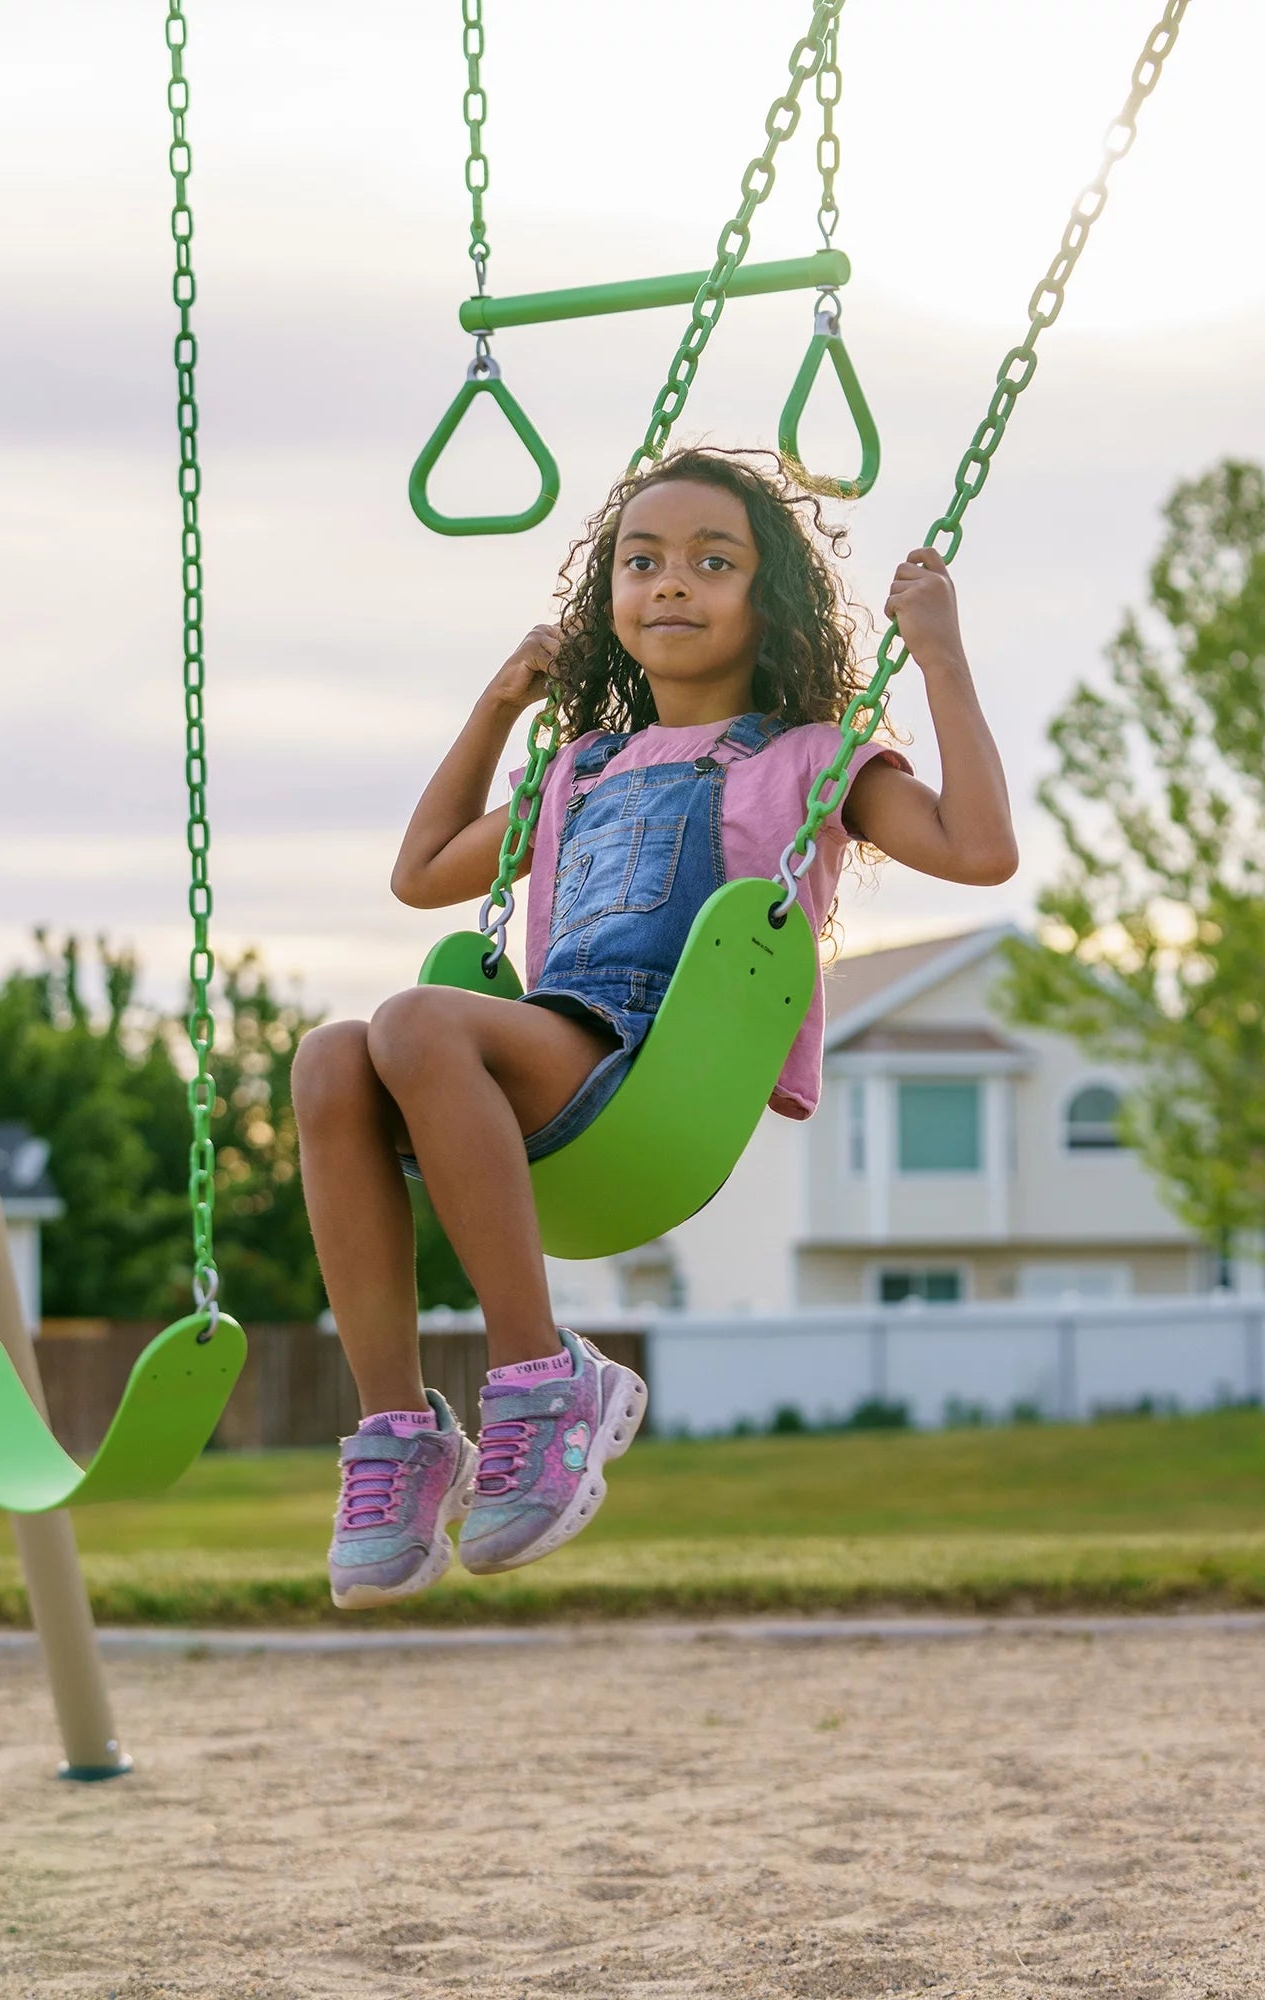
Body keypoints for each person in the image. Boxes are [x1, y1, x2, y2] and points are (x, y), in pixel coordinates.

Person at [292, 446, 1017, 1607]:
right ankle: (397, 1435)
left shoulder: (810, 759)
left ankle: (540, 1380)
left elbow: (980, 850)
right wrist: (496, 708)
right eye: (642, 562)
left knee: (415, 1021)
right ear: (608, 599)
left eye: (709, 561)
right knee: (332, 1055)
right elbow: (421, 873)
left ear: (764, 598)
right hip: (535, 1056)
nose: (670, 582)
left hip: (655, 1070)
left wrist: (939, 659)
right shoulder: (577, 765)